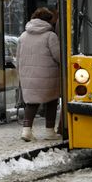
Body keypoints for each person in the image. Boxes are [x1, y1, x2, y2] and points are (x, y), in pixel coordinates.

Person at [16, 7, 61, 142]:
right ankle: (49, 131)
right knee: (51, 102)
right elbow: (58, 56)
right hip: (48, 76)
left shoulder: (23, 36)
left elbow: (18, 58)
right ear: (48, 20)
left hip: (28, 76)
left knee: (31, 103)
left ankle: (26, 130)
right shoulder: (50, 36)